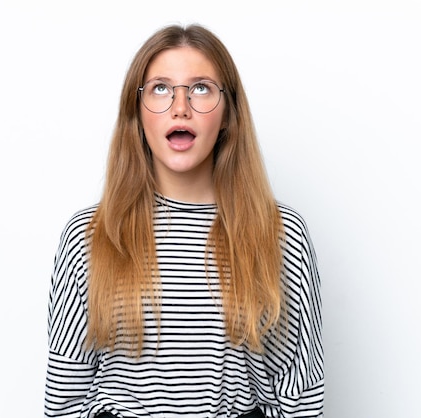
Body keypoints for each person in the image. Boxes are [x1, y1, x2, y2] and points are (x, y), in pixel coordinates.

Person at [44, 23, 323, 418]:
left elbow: (300, 396)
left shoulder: (281, 234)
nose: (180, 107)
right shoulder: (89, 237)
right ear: (136, 114)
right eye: (160, 88)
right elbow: (64, 401)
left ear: (228, 115)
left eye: (201, 88)